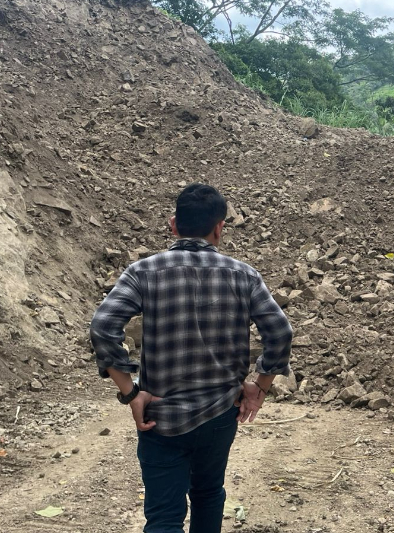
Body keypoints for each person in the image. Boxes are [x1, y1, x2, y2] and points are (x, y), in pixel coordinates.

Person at [90, 183, 293, 532]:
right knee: (208, 494)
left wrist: (130, 392)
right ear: (219, 228)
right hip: (220, 414)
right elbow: (280, 332)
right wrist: (259, 387)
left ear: (173, 225)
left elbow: (102, 327)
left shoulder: (143, 272)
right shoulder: (244, 275)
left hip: (161, 417)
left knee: (164, 518)